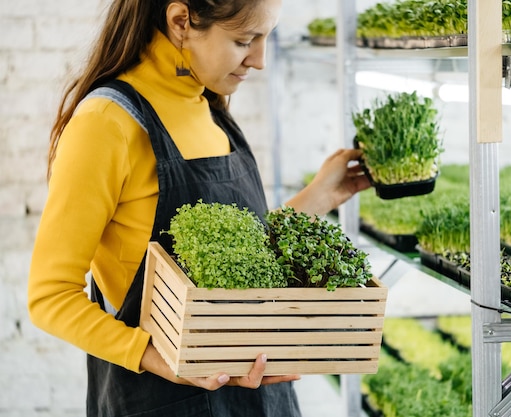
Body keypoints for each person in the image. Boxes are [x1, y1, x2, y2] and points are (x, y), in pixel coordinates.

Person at [27, 1, 371, 416]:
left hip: (260, 398)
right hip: (163, 400)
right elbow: (49, 297)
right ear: (180, 22)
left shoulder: (209, 105)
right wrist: (167, 360)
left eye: (267, 37)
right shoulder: (106, 123)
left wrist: (322, 196)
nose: (260, 60)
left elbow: (238, 253)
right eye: (245, 40)